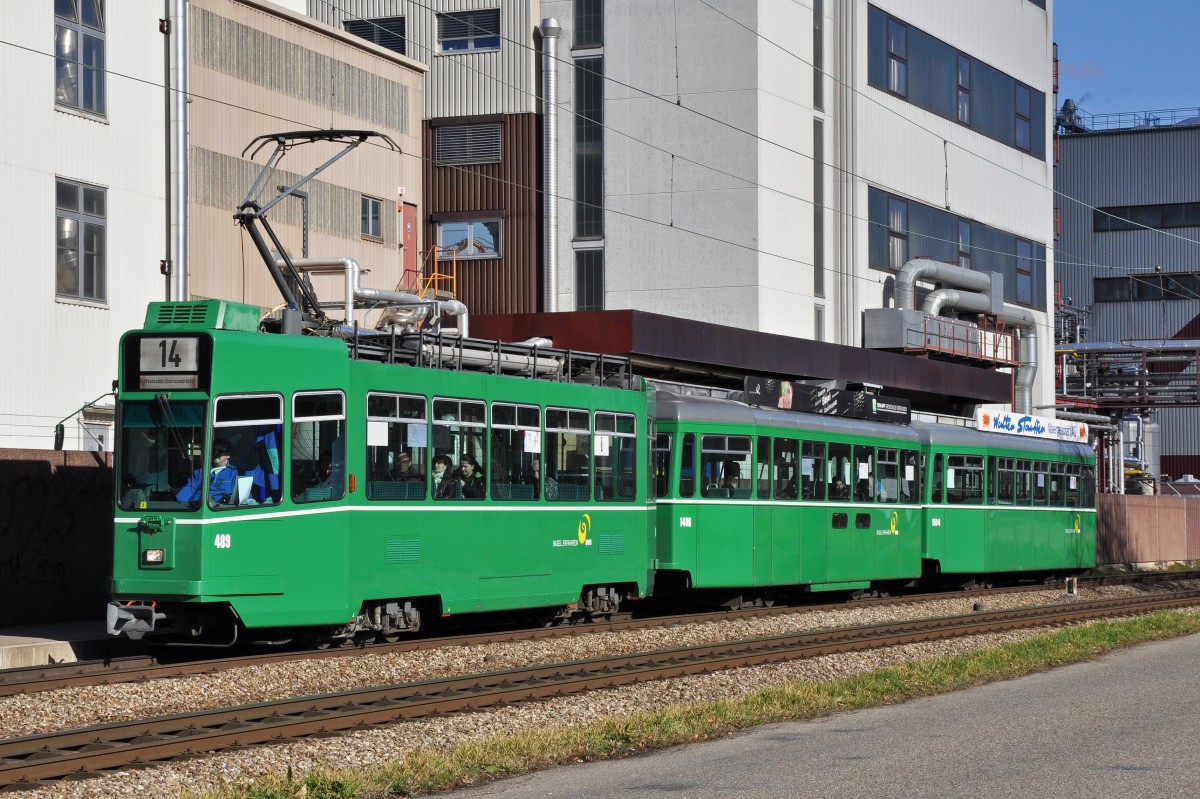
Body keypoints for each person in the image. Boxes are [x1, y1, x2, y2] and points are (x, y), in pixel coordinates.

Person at [177, 438, 237, 504]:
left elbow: (241, 496)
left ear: (228, 455)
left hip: (220, 508)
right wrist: (177, 502)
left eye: (220, 451)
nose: (216, 454)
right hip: (198, 506)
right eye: (213, 451)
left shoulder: (235, 473)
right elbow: (190, 488)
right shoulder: (201, 471)